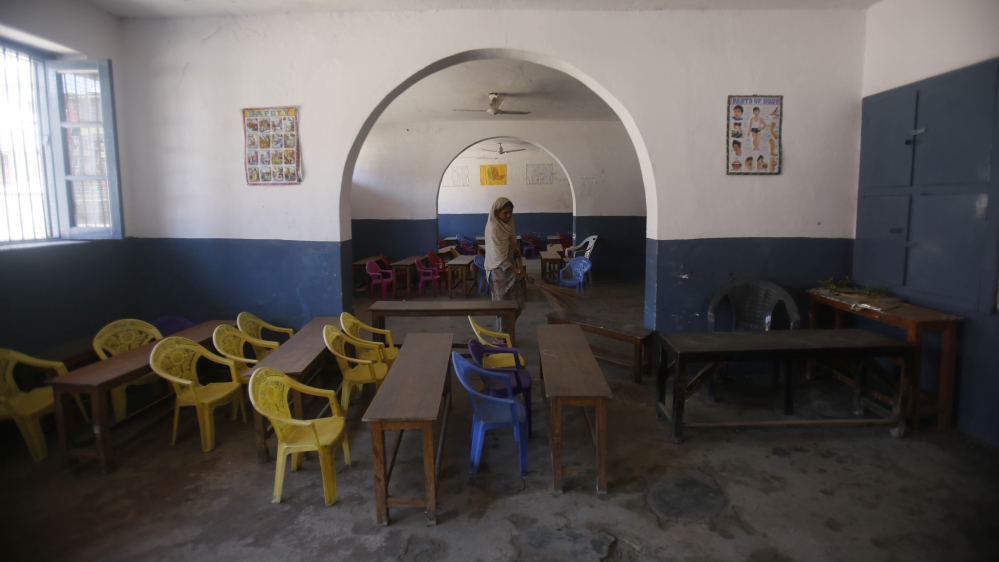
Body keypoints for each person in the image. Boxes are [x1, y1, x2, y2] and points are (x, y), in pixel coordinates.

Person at [485, 197, 525, 332]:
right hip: (498, 273)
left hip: (511, 271)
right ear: (496, 213)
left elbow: (509, 244)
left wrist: (515, 251)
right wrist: (517, 270)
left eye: (510, 212)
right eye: (505, 213)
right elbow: (497, 257)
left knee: (518, 305)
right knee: (502, 308)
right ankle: (501, 337)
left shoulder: (508, 225)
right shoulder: (494, 227)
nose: (508, 216)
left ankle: (508, 331)